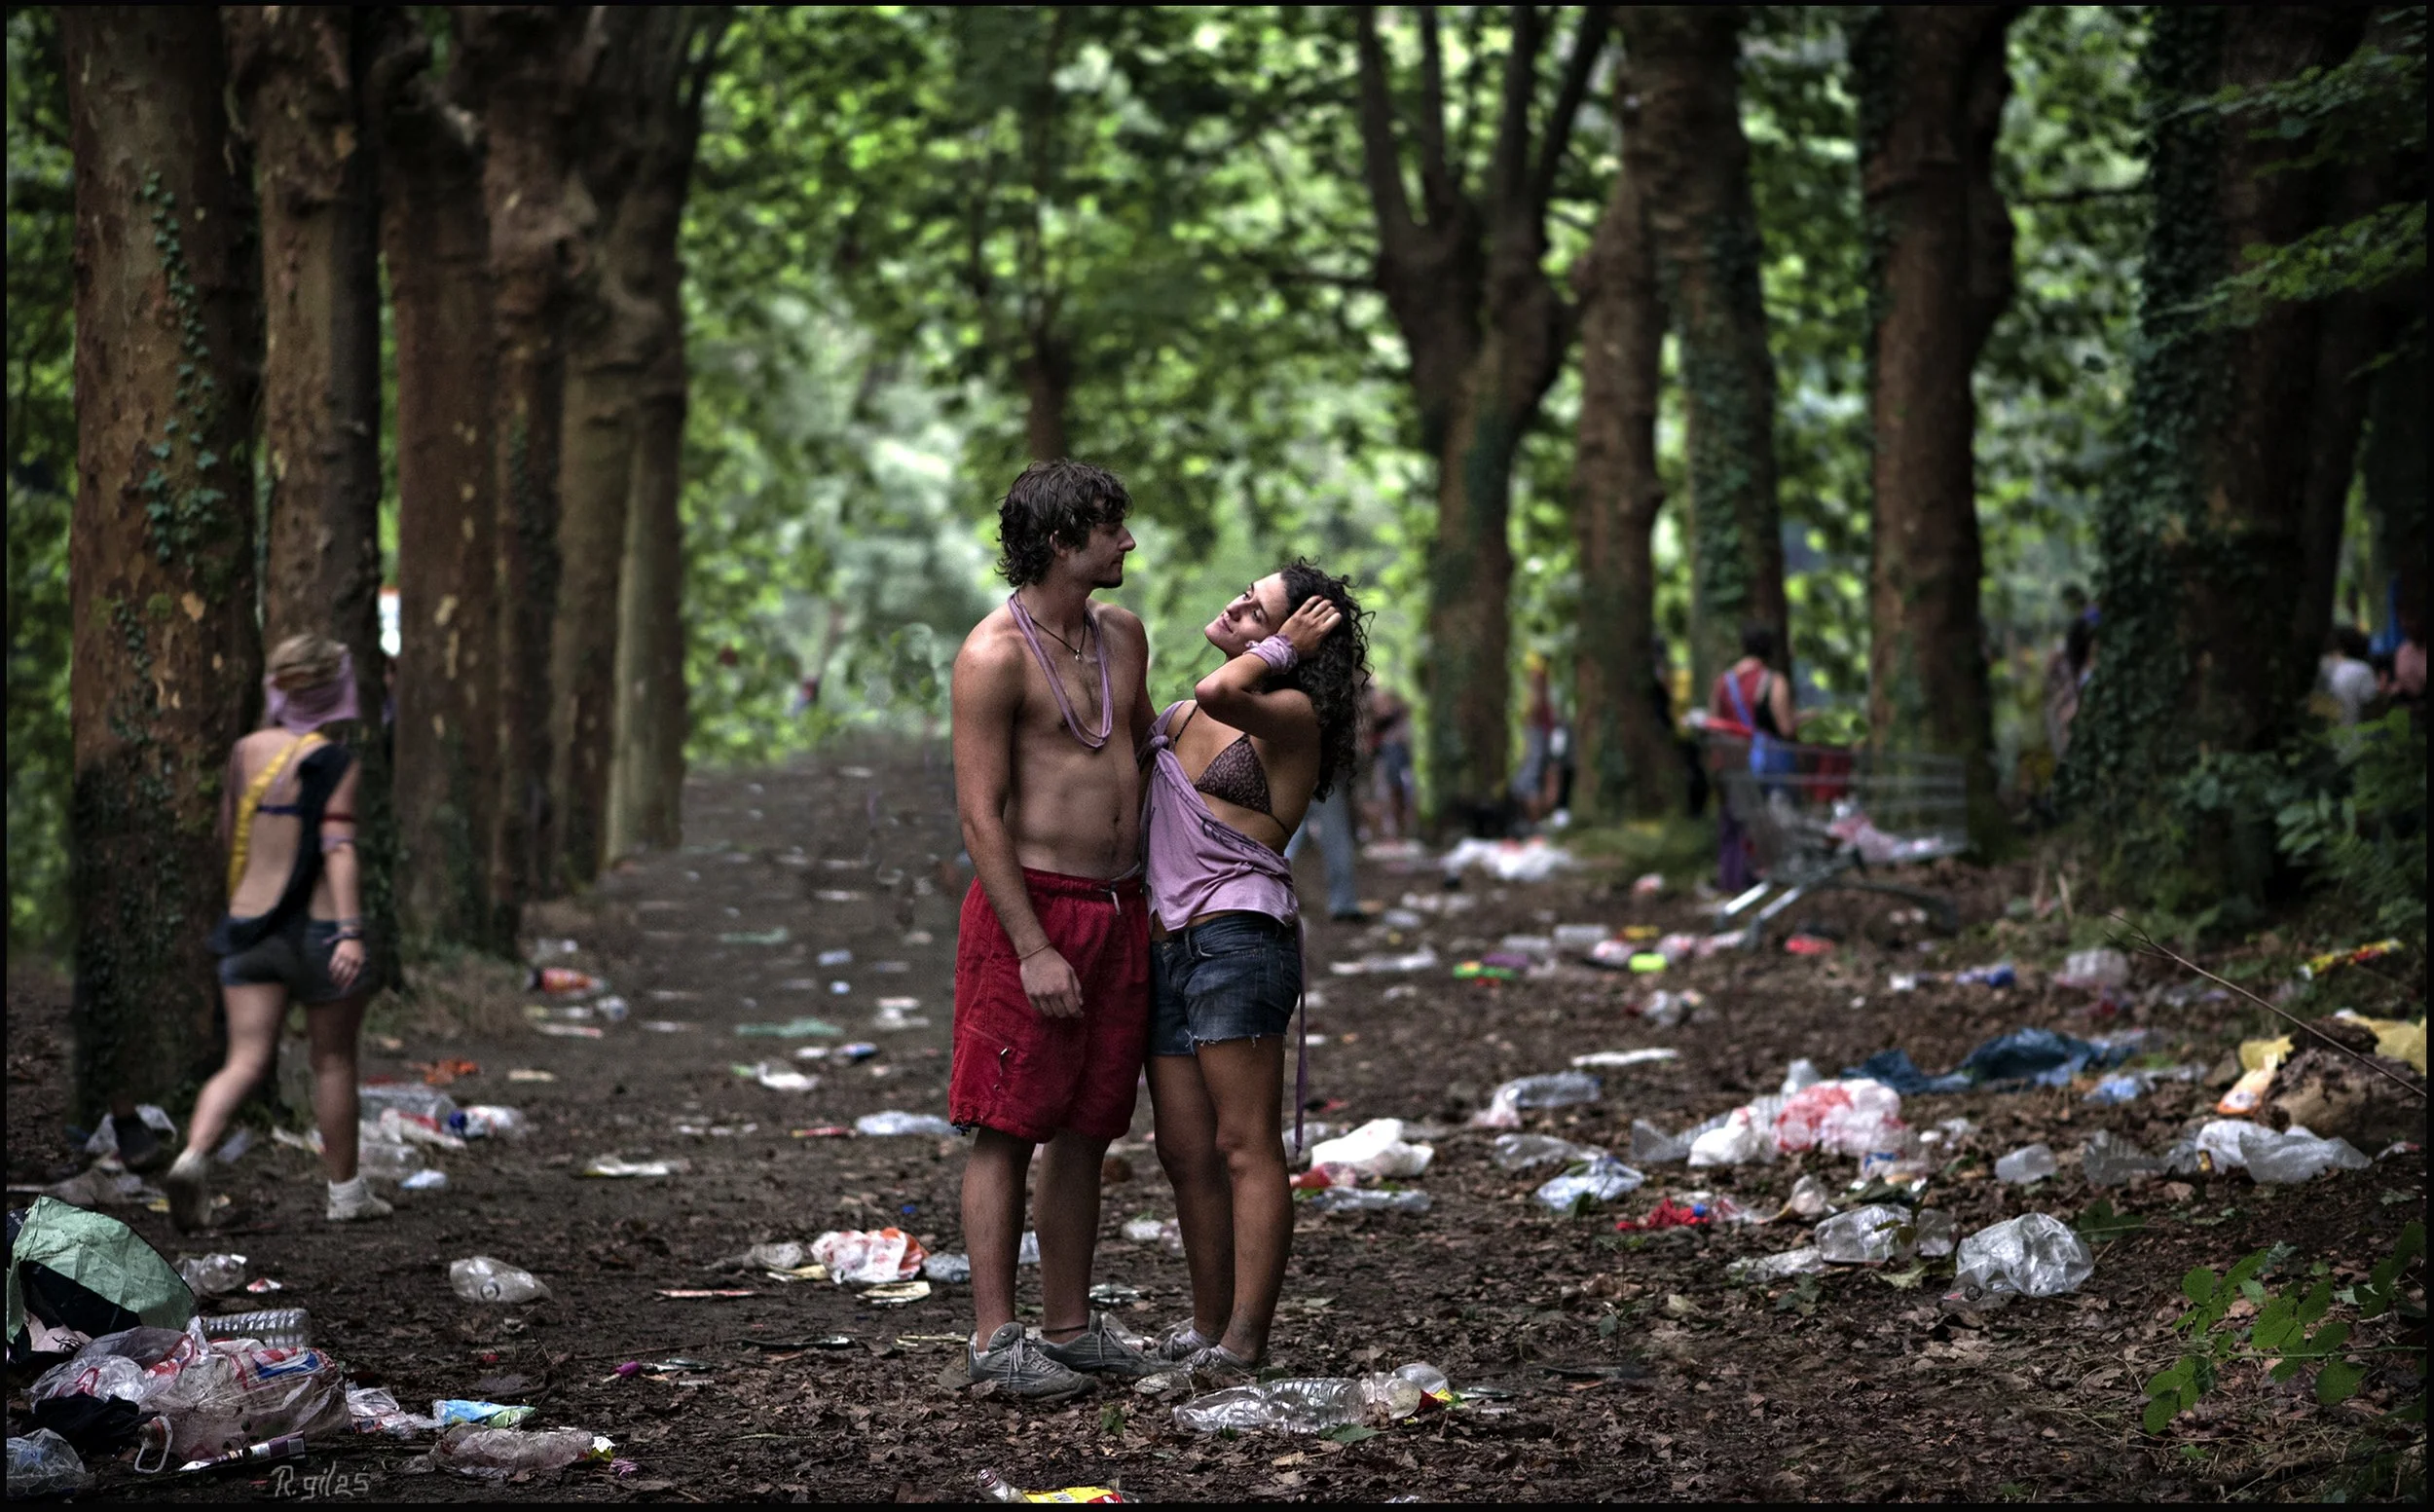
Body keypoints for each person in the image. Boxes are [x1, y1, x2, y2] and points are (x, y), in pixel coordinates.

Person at [947, 459, 1161, 1400]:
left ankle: (1069, 1329)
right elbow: (980, 815)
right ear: (1063, 540)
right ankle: (996, 1339)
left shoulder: (1123, 634)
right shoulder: (993, 655)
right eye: (1112, 528)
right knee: (1006, 1125)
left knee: (1088, 1125)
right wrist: (1032, 945)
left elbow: (1148, 751)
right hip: (1031, 911)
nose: (1128, 542)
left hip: (1120, 908)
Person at [1141, 560, 1368, 1379]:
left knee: (1244, 1145)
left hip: (1238, 940)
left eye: (1259, 610)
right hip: (1165, 943)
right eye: (1244, 593)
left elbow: (1223, 691)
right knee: (1184, 1149)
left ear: (1294, 641)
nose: (1236, 604)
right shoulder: (1176, 716)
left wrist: (1279, 651)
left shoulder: (1292, 714)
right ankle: (1207, 1325)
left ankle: (1244, 1340)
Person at [166, 634, 380, 1230]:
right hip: (320, 932)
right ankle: (346, 1194)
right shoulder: (336, 761)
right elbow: (338, 848)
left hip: (248, 928)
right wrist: (351, 931)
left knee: (244, 1062)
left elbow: (227, 831)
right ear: (334, 691)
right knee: (333, 1061)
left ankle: (191, 1157)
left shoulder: (245, 752)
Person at [1706, 623, 1805, 893]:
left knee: (1735, 821)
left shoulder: (1723, 681)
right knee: (1772, 818)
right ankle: (1773, 874)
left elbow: (1714, 722)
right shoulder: (1773, 681)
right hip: (1765, 764)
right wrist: (1803, 720)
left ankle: (1732, 881)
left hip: (1731, 761)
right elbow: (1785, 727)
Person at [1365, 683, 1417, 839]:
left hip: (1398, 769)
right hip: (1382, 768)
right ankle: (1387, 834)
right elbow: (1370, 747)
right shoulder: (1375, 725)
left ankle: (1401, 833)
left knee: (1400, 797)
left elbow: (1405, 743)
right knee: (1383, 798)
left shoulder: (1398, 722)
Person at [2318, 626, 2379, 725]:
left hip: (2325, 733)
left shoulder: (2320, 666)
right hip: (2354, 732)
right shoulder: (2362, 670)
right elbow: (2371, 710)